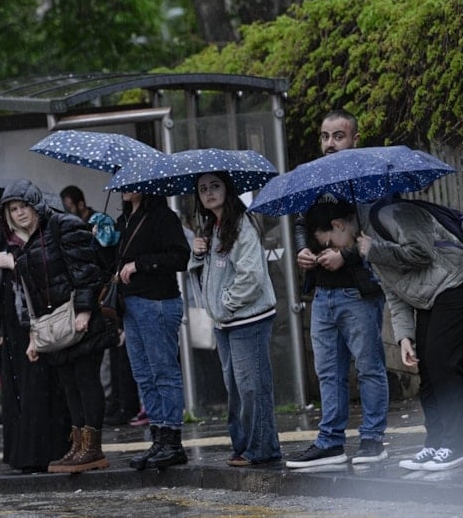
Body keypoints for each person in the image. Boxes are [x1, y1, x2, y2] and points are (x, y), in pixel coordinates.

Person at [307, 197, 463, 471]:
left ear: (338, 224)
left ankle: (457, 444)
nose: (331, 249)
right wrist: (404, 337)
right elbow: (394, 289)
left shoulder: (392, 214)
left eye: (329, 242)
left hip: (457, 282)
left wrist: (374, 249)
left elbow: (422, 252)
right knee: (426, 367)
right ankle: (436, 442)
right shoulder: (364, 241)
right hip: (430, 295)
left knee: (442, 364)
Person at [0, 179, 115, 474]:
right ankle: (79, 446)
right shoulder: (29, 242)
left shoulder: (63, 225)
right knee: (70, 386)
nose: (19, 213)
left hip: (76, 318)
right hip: (54, 327)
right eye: (13, 209)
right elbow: (32, 297)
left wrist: (84, 310)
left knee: (85, 382)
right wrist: (35, 337)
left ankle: (92, 447)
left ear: (35, 205)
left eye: (23, 206)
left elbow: (85, 270)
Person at [287, 110, 389, 468]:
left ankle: (373, 439)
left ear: (354, 139)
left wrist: (345, 255)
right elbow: (301, 220)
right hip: (323, 293)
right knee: (328, 370)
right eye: (325, 136)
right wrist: (303, 248)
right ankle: (330, 441)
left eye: (338, 136)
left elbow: (379, 232)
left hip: (358, 292)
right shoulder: (314, 177)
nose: (330, 143)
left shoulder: (367, 178)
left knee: (369, 367)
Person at [189, 172, 282, 466]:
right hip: (225, 323)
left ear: (228, 190)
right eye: (203, 189)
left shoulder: (242, 225)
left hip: (248, 319)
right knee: (235, 387)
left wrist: (225, 304)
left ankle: (262, 448)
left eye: (215, 186)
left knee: (252, 385)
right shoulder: (211, 228)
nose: (209, 193)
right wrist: (197, 254)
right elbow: (208, 274)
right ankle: (243, 446)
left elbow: (251, 275)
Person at [116, 191, 190, 470]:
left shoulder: (162, 216)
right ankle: (158, 438)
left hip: (158, 302)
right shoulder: (123, 220)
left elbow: (181, 257)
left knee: (163, 371)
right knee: (144, 374)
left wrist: (141, 264)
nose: (124, 184)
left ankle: (172, 441)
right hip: (132, 305)